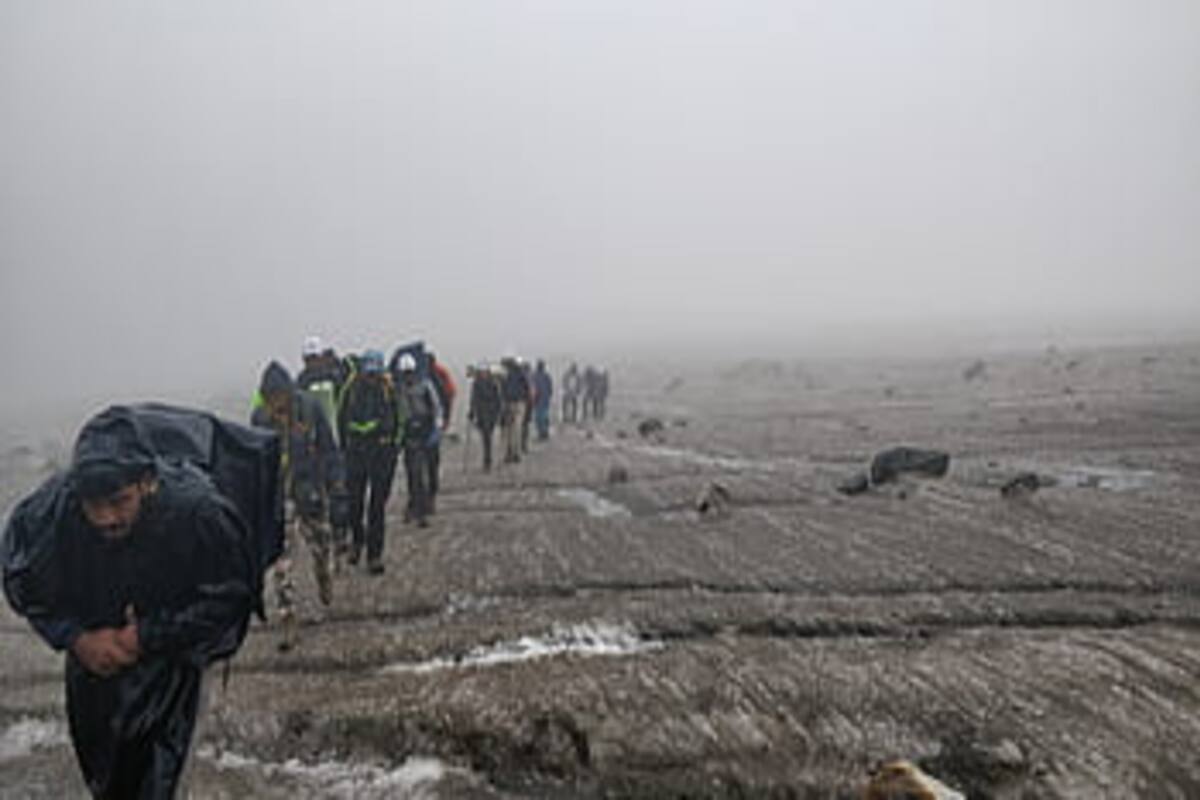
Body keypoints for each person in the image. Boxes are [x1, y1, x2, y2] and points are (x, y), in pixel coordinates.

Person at [1, 407, 258, 799]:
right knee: (106, 774)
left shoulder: (197, 512)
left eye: (119, 502)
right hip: (92, 648)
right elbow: (22, 579)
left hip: (172, 650)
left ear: (147, 483)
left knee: (161, 776)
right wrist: (77, 638)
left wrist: (148, 635)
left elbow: (230, 595)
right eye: (94, 506)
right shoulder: (49, 514)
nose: (106, 518)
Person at [253, 361, 345, 650]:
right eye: (269, 398)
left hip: (310, 492)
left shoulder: (310, 410)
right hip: (279, 502)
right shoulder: (259, 420)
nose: (274, 403)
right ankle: (288, 621)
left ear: (289, 393)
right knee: (282, 566)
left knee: (322, 546)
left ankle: (324, 578)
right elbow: (253, 463)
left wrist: (337, 484)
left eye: (278, 396)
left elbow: (330, 449)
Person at [337, 350, 402, 575]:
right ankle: (357, 540)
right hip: (355, 453)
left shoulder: (389, 390)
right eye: (368, 373)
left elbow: (399, 419)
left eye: (375, 373)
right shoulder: (351, 389)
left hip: (382, 456)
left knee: (377, 508)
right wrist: (344, 448)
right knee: (354, 504)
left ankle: (375, 556)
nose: (371, 377)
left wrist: (394, 446)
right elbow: (340, 416)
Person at [395, 353, 441, 527]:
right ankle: (417, 509)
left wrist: (436, 431)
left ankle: (425, 503)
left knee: (430, 472)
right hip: (409, 435)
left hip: (426, 431)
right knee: (414, 474)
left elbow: (436, 409)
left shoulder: (425, 386)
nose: (407, 376)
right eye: (404, 373)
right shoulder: (397, 390)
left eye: (409, 372)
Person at [426, 352, 457, 512]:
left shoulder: (432, 379)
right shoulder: (437, 376)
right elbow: (448, 397)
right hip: (433, 428)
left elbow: (444, 400)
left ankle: (426, 498)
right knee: (430, 465)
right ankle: (429, 498)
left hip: (431, 429)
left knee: (427, 465)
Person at [467, 363, 503, 471]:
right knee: (486, 437)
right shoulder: (478, 384)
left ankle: (487, 460)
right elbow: (474, 399)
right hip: (481, 413)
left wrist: (498, 412)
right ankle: (487, 459)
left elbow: (498, 399)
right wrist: (472, 412)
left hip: (490, 413)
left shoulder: (492, 384)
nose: (483, 374)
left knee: (487, 437)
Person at [500, 355, 529, 464]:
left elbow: (501, 390)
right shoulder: (521, 374)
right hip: (519, 403)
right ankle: (515, 453)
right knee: (516, 429)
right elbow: (527, 388)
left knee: (509, 430)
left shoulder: (505, 375)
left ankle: (510, 453)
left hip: (509, 403)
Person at [532, 359, 553, 441]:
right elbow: (550, 388)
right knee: (543, 417)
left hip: (539, 399)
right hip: (543, 399)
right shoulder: (546, 376)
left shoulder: (535, 376)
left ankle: (542, 433)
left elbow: (532, 388)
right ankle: (543, 432)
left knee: (540, 418)